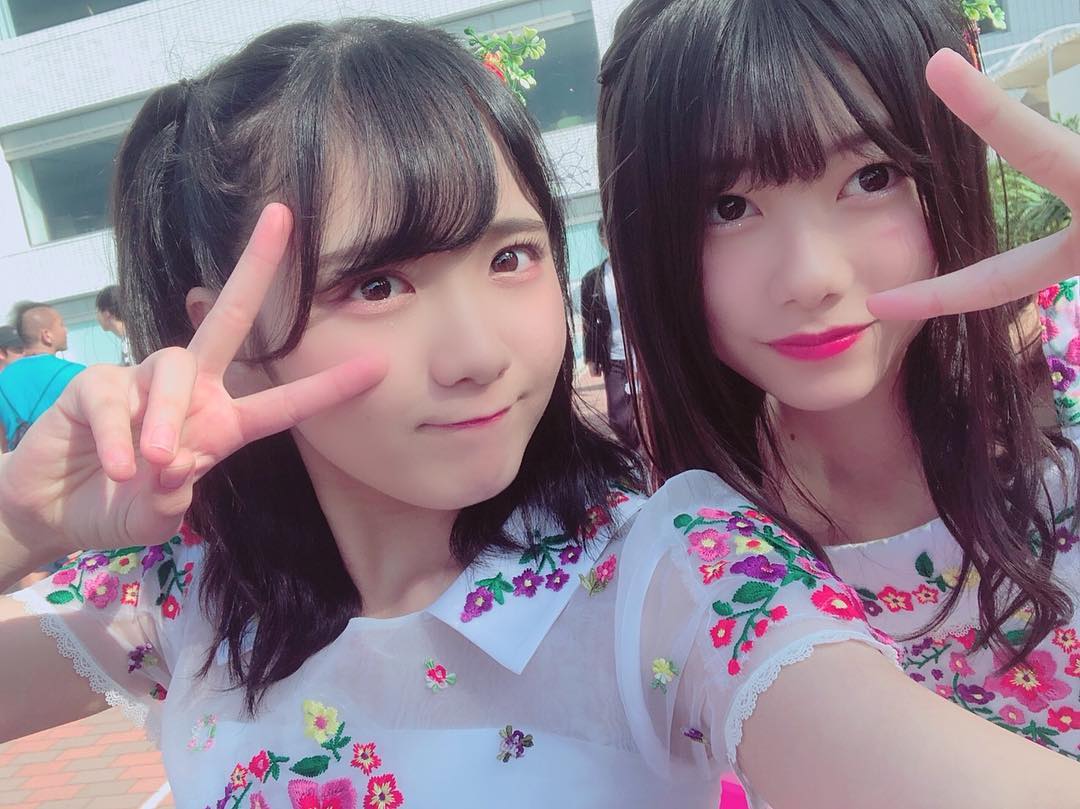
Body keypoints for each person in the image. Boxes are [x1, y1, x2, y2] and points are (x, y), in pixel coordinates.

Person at [0, 15, 1075, 809]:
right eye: (377, 284)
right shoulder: (200, 594)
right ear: (226, 335)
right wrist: (20, 523)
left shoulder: (674, 572)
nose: (479, 355)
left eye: (510, 257)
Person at [597, 0, 1080, 806]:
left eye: (871, 176)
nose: (810, 277)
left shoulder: (1067, 371)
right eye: (728, 206)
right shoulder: (705, 545)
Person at [579, 220, 638, 447]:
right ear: (602, 240)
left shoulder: (639, 272)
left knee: (653, 411)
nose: (613, 240)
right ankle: (634, 450)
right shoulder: (592, 280)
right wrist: (591, 358)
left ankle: (651, 455)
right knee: (619, 418)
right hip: (614, 356)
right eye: (607, 235)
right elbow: (588, 323)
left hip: (644, 356)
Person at [0, 303, 84, 450]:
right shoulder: (77, 373)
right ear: (47, 335)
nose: (66, 330)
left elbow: (4, 441)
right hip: (70, 458)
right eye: (61, 324)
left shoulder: (3, 379)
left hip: (21, 461)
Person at [95, 284, 132, 365]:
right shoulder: (130, 337)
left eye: (97, 312)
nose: (96, 317)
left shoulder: (130, 342)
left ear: (106, 313)